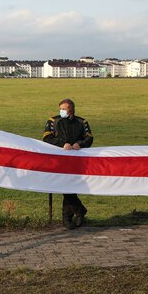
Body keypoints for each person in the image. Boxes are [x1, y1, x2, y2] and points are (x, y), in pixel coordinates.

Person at [43, 98, 93, 229]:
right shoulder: (53, 121)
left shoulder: (82, 122)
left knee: (70, 186)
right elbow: (46, 138)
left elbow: (89, 138)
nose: (61, 111)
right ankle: (77, 211)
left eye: (64, 109)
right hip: (59, 160)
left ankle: (68, 218)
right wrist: (62, 144)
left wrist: (79, 144)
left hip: (77, 160)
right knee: (64, 186)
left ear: (71, 110)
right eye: (60, 109)